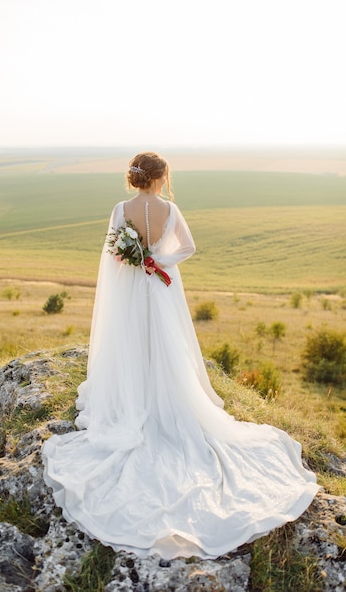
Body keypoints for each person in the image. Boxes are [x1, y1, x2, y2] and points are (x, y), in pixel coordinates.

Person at [42, 151, 319, 560]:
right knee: (168, 344)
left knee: (133, 341)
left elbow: (113, 256)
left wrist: (136, 261)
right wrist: (160, 259)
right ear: (160, 177)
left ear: (135, 178)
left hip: (132, 288)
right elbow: (188, 246)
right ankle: (170, 395)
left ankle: (136, 394)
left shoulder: (121, 209)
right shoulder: (169, 209)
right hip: (161, 285)